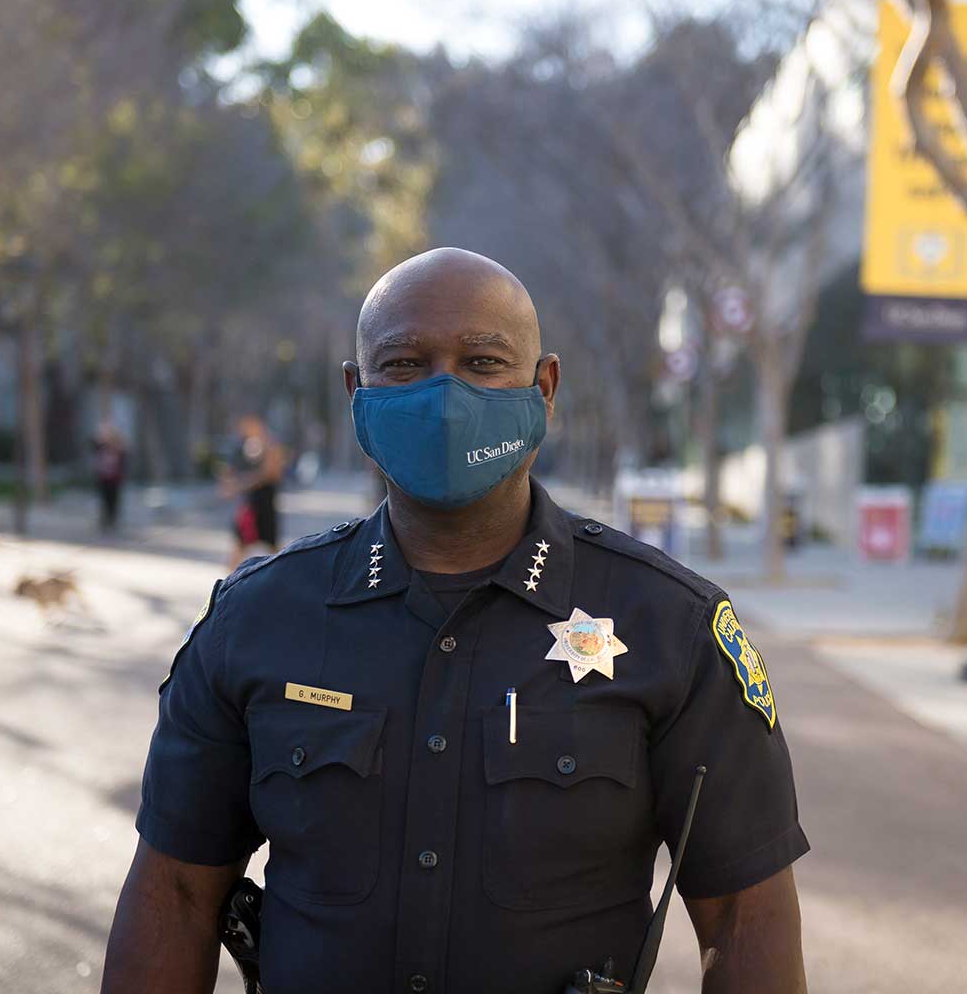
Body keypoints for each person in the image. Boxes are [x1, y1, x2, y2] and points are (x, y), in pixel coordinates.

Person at [102, 248, 809, 994]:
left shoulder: (672, 629)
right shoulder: (256, 620)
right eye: (404, 364)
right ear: (357, 390)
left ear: (544, 387)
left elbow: (743, 916)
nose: (444, 395)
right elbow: (175, 892)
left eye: (483, 362)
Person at [225, 414, 285, 562]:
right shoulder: (249, 445)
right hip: (251, 503)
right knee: (241, 544)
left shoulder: (271, 446)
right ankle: (230, 581)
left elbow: (271, 474)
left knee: (272, 548)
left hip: (264, 502)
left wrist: (242, 484)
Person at [93, 419, 127, 533]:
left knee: (113, 499)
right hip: (103, 477)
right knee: (104, 498)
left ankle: (112, 519)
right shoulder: (100, 446)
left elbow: (124, 459)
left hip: (115, 478)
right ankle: (104, 519)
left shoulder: (118, 447)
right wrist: (102, 435)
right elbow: (93, 444)